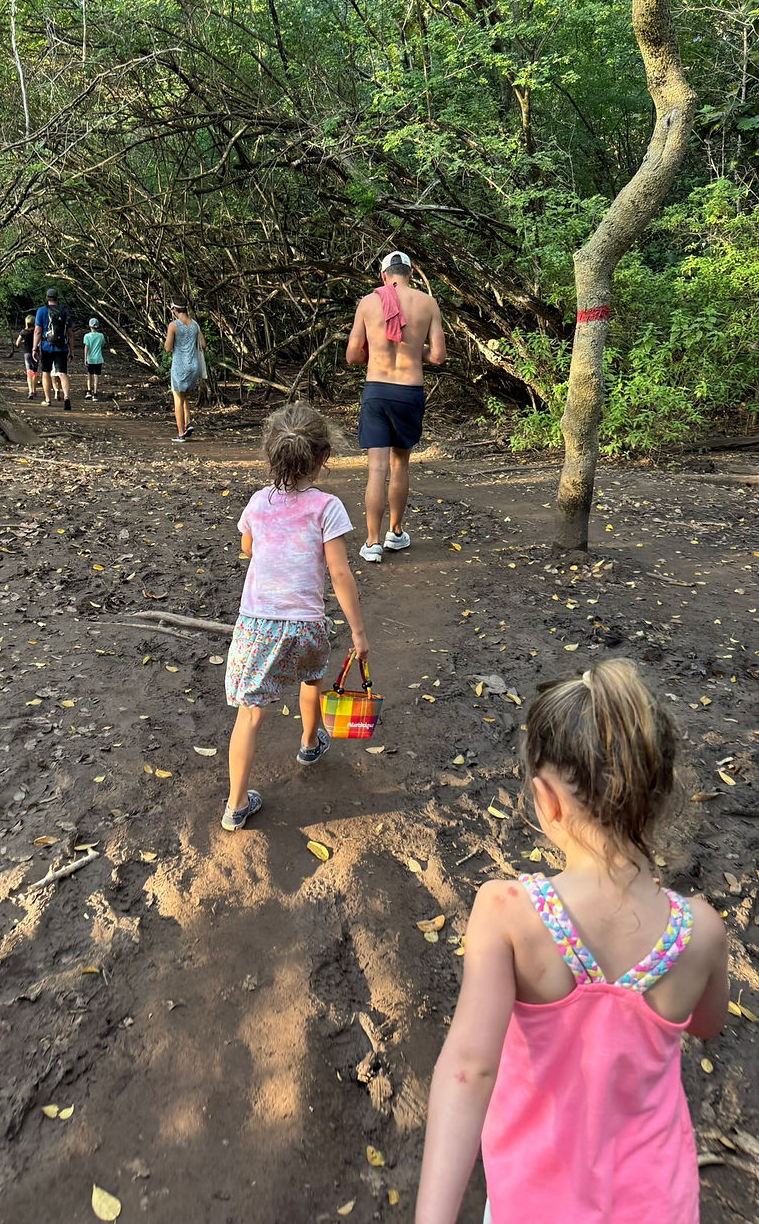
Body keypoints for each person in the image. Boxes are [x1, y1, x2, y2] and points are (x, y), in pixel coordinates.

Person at [414, 658, 729, 1224]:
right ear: (660, 793)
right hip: (657, 1204)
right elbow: (706, 1025)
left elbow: (467, 1070)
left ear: (545, 799)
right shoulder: (701, 931)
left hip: (533, 1202)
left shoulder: (508, 913)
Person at [222, 402, 370, 831]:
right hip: (306, 625)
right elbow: (340, 573)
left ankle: (235, 805)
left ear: (271, 456)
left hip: (257, 625)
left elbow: (248, 548)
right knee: (311, 677)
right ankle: (309, 743)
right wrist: (358, 633)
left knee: (249, 713)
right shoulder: (328, 507)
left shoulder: (256, 502)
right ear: (323, 457)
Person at [345, 250, 446, 563]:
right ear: (411, 273)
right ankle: (396, 533)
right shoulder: (427, 303)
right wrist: (415, 350)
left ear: (383, 275)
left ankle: (372, 543)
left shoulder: (368, 303)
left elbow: (352, 356)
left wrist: (374, 353)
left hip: (376, 391)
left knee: (376, 468)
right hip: (409, 392)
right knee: (400, 464)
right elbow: (439, 357)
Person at [164, 299, 205, 442]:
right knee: (184, 396)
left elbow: (167, 348)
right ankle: (188, 424)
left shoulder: (173, 325)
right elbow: (203, 344)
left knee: (177, 399)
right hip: (193, 366)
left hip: (180, 366)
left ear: (174, 310)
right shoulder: (195, 325)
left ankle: (180, 433)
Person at [32, 287, 74, 410]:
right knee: (62, 373)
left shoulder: (41, 311)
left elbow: (37, 331)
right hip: (62, 347)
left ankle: (48, 400)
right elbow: (70, 333)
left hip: (46, 346)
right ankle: (66, 396)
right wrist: (71, 350)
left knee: (46, 373)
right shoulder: (65, 312)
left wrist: (34, 348)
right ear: (57, 298)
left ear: (47, 298)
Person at [14, 314, 39, 398]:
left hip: (27, 353)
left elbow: (17, 343)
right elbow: (39, 343)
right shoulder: (36, 331)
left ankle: (30, 391)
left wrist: (21, 345)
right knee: (35, 372)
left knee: (29, 372)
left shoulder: (24, 332)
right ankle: (35, 390)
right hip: (35, 353)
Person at [83, 317, 105, 400]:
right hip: (98, 358)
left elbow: (86, 347)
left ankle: (89, 391)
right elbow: (102, 344)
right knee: (96, 376)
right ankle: (95, 393)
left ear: (90, 326)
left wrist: (85, 358)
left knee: (89, 375)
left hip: (90, 359)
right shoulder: (101, 336)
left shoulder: (87, 336)